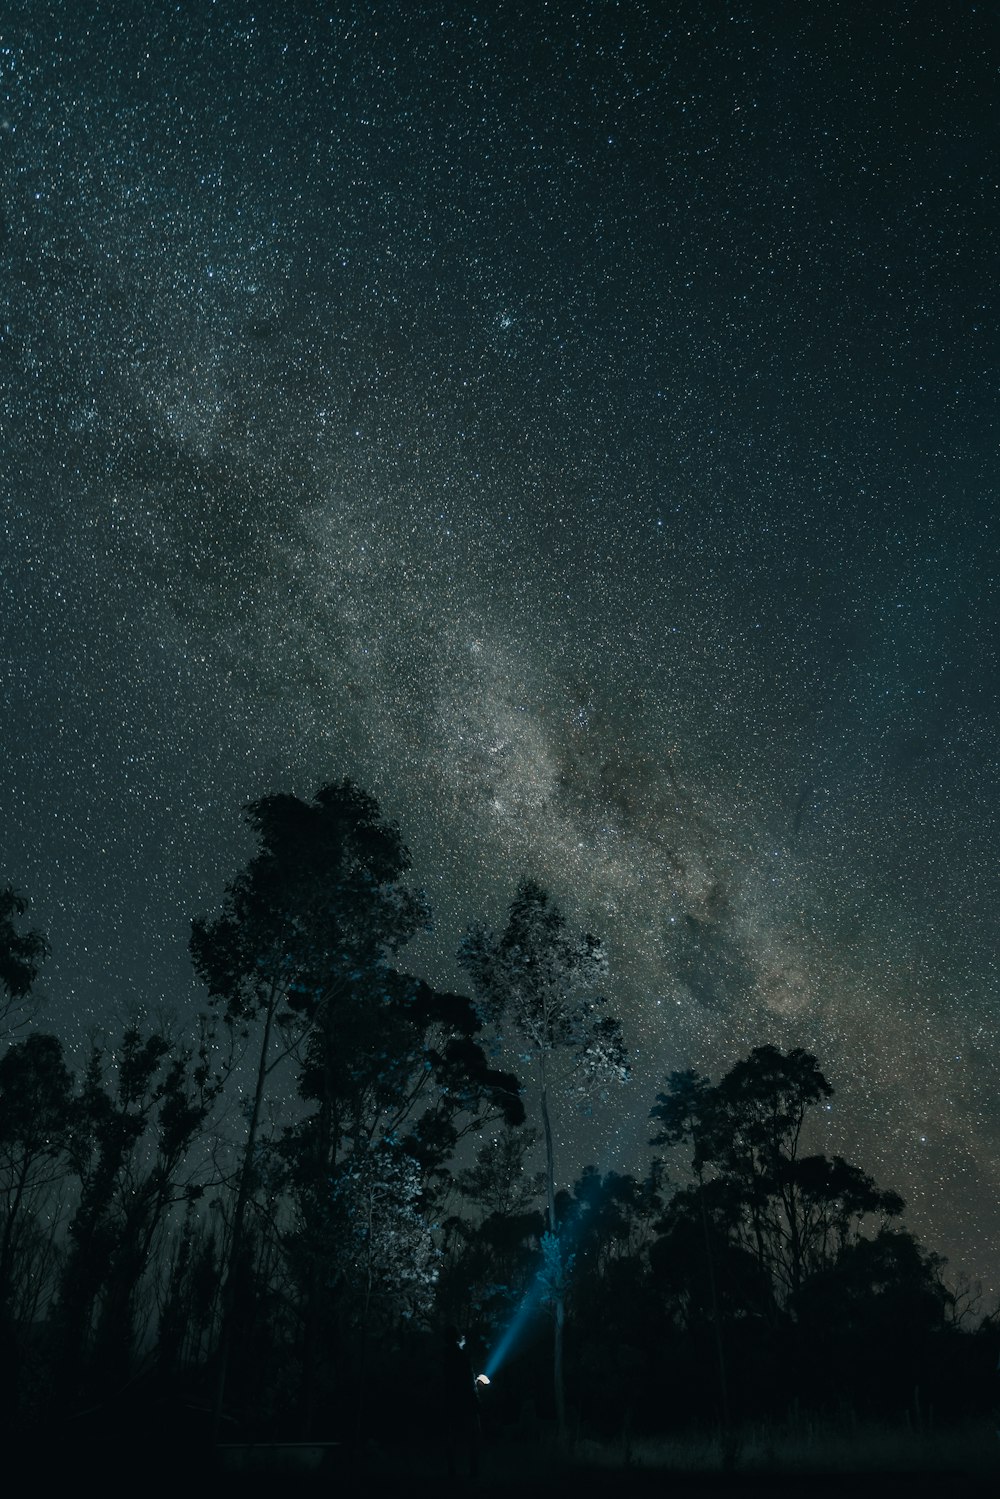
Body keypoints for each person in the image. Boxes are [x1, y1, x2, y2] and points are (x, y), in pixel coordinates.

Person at [441, 1325, 481, 1479]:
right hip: (465, 1400)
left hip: (451, 1399)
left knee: (452, 1435)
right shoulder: (461, 1357)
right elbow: (467, 1380)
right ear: (457, 1338)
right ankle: (473, 1471)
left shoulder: (445, 1356)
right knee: (474, 1434)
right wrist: (476, 1397)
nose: (463, 1336)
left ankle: (452, 1470)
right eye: (460, 1335)